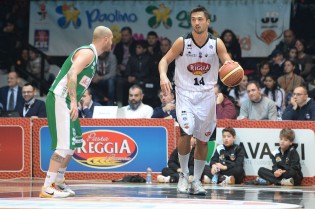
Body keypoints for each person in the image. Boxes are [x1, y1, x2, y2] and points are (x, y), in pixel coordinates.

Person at [159, 6, 235, 195]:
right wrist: (163, 75)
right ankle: (184, 175)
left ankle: (197, 181)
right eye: (193, 19)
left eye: (200, 19)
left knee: (203, 141)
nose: (196, 23)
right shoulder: (182, 42)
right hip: (185, 93)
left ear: (207, 22)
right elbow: (164, 61)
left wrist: (234, 73)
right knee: (186, 132)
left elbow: (229, 63)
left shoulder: (216, 44)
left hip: (207, 95)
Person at [40, 26, 113, 198]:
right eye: (111, 38)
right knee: (63, 145)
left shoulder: (93, 56)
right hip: (60, 99)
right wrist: (73, 100)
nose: (112, 42)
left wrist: (76, 99)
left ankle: (58, 182)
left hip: (68, 100)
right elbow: (72, 74)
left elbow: (78, 81)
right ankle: (47, 186)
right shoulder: (88, 52)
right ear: (105, 39)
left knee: (73, 144)